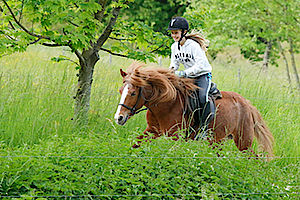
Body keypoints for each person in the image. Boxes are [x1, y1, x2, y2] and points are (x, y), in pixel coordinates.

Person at [167, 16, 213, 136]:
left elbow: (201, 65)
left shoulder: (193, 46)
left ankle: (204, 128)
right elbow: (174, 64)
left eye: (176, 33)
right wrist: (170, 72)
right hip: (189, 77)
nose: (174, 36)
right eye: (172, 33)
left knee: (203, 97)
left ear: (184, 32)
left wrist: (184, 73)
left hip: (203, 75)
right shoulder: (174, 47)